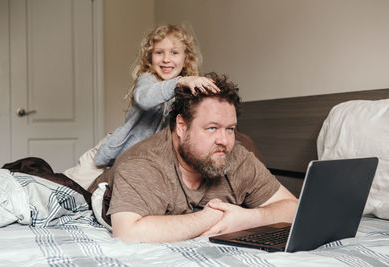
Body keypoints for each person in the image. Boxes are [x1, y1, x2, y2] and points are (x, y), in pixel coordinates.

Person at [88, 73, 298, 243]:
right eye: (212, 128)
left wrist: (246, 218)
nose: (224, 140)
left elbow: (292, 207)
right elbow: (128, 233)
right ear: (181, 126)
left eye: (230, 129)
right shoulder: (143, 162)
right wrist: (211, 216)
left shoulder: (236, 156)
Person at [94, 24, 220, 167]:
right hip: (116, 150)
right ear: (150, 57)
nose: (166, 59)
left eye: (174, 53)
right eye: (159, 52)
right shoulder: (147, 79)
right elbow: (145, 99)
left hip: (149, 158)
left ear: (185, 59)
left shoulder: (185, 91)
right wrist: (179, 81)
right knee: (75, 180)